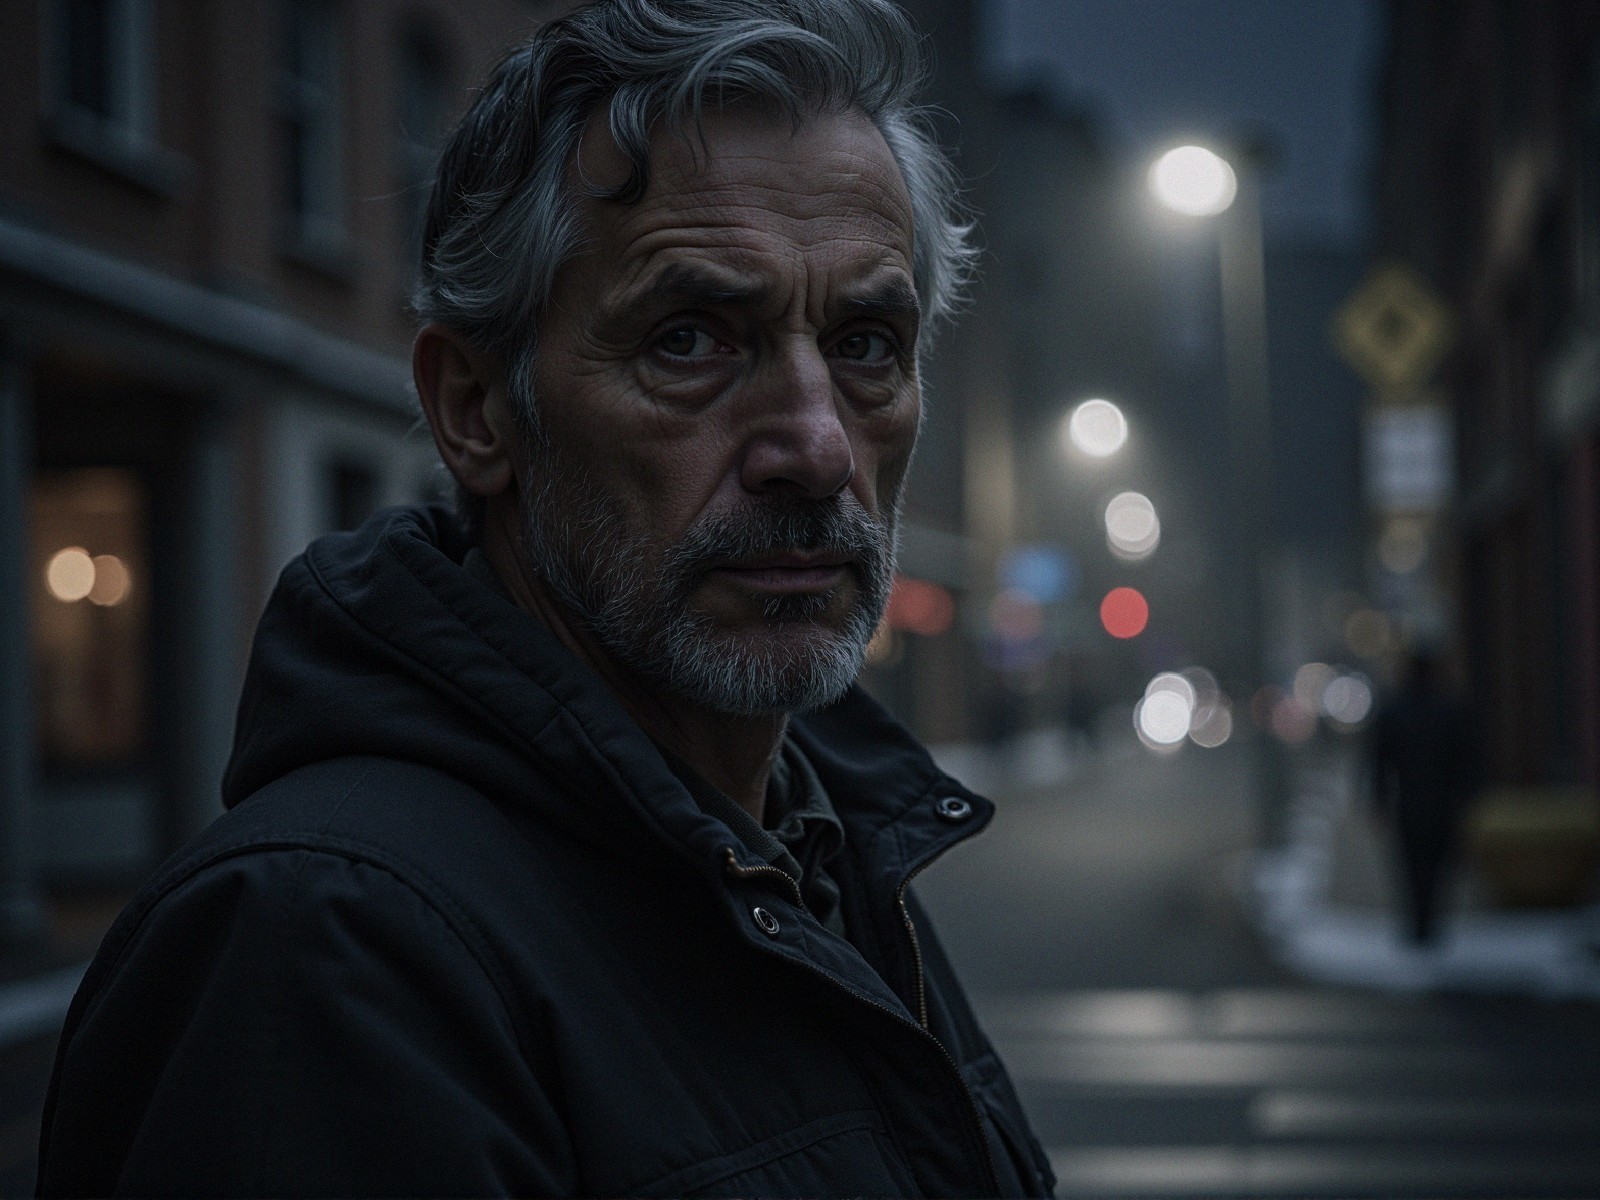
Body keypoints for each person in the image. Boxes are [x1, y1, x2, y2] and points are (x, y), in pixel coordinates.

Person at [36, 2, 1055, 1195]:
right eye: (690, 340)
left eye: (869, 342)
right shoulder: (325, 945)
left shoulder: (821, 857)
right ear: (477, 408)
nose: (819, 447)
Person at [1369, 649, 1476, 946]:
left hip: (1410, 801)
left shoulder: (1395, 711)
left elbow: (1380, 762)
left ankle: (1418, 924)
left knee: (1413, 866)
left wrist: (1379, 801)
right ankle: (1430, 923)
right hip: (1442, 803)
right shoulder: (1448, 710)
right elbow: (1465, 762)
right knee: (1438, 867)